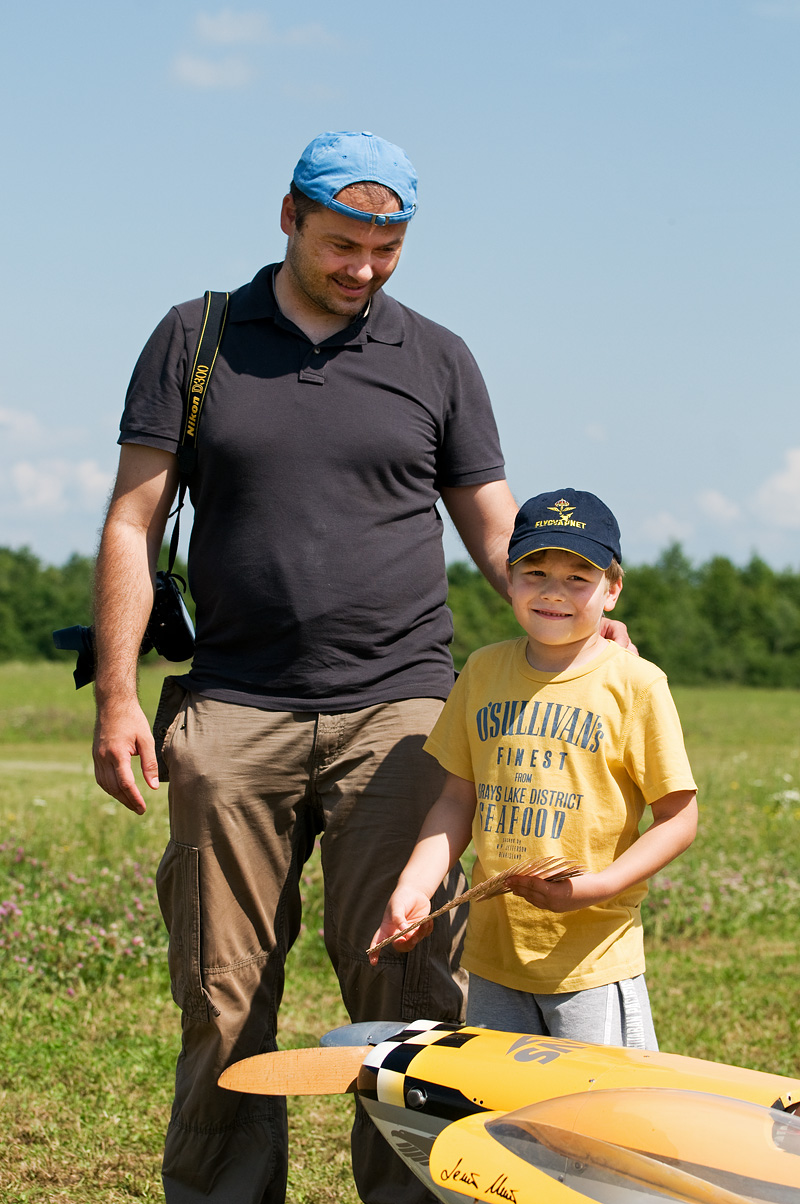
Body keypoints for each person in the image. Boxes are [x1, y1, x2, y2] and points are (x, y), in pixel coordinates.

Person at [92, 132, 629, 1203]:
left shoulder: (436, 356)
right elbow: (131, 521)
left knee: (410, 994)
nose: (363, 269)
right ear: (288, 216)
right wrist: (115, 696)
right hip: (233, 706)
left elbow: (490, 520)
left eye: (387, 251)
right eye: (343, 245)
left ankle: (412, 1194)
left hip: (404, 712)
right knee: (222, 992)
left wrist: (571, 622)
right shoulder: (195, 337)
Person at [370, 488, 697, 1051]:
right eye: (535, 572)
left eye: (578, 577)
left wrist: (596, 888)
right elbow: (456, 800)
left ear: (612, 590)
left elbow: (678, 819)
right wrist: (414, 886)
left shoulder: (637, 684)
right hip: (495, 957)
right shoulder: (481, 671)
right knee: (503, 1098)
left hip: (591, 960)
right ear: (510, 577)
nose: (553, 591)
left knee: (598, 1101)